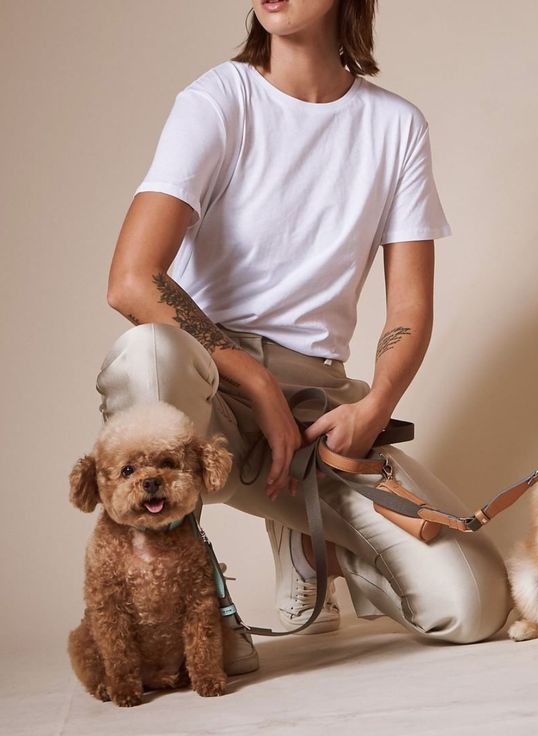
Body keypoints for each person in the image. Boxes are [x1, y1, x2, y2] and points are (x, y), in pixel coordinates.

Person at [99, 0, 511, 675]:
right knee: (149, 355)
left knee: (474, 604)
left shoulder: (395, 126)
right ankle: (188, 606)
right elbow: (132, 282)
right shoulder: (218, 101)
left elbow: (409, 302)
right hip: (213, 394)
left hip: (322, 413)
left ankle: (316, 541)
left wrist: (373, 407)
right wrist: (254, 381)